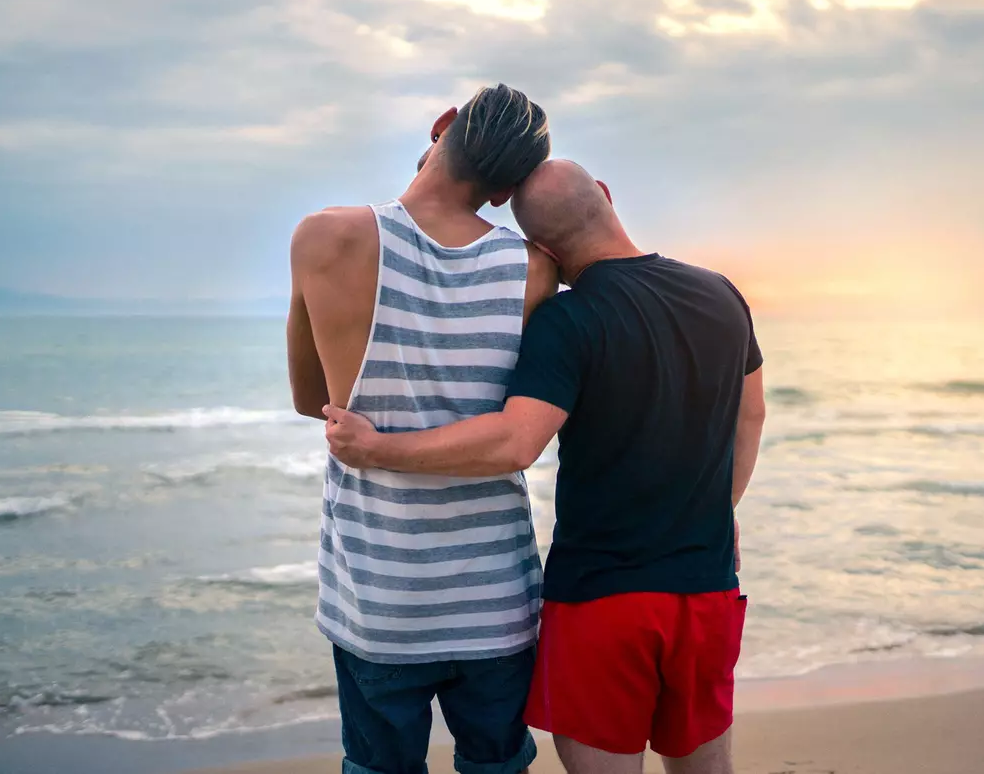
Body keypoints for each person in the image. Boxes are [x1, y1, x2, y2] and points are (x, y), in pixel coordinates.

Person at [324, 159, 768, 774]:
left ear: (540, 249)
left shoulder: (569, 319)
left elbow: (514, 443)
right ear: (607, 196)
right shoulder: (721, 293)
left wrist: (377, 449)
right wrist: (721, 510)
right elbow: (751, 417)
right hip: (709, 589)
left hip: (602, 601)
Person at [287, 83, 558, 774]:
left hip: (380, 592)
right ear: (502, 193)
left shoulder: (327, 236)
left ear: (442, 128)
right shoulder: (532, 268)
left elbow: (310, 398)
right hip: (495, 594)